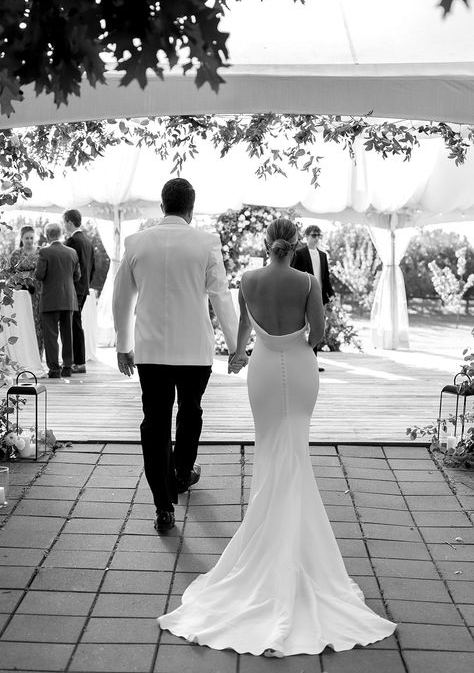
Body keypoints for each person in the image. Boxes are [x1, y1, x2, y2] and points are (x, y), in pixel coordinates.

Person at [158, 218, 396, 656]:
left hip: (263, 371)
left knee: (269, 450)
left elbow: (245, 333)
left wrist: (237, 352)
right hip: (301, 370)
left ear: (267, 244)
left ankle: (266, 543)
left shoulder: (248, 279)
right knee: (296, 452)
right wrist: (300, 335)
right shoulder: (306, 280)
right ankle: (295, 547)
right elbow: (319, 334)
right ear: (293, 247)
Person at [112, 178, 238, 533]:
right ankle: (182, 473)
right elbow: (220, 296)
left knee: (154, 423)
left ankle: (163, 505)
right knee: (191, 410)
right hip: (195, 350)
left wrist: (123, 345)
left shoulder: (137, 243)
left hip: (151, 351)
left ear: (162, 205)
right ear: (191, 207)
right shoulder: (206, 243)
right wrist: (235, 347)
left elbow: (122, 299)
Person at [35, 223, 80, 378]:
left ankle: (54, 370)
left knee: (51, 335)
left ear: (47, 235)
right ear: (61, 234)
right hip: (68, 298)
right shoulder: (72, 252)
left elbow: (40, 275)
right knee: (68, 334)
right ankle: (67, 367)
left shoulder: (44, 252)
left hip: (50, 299)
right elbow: (77, 276)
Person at [291, 224, 335, 372]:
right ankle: (300, 362)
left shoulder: (323, 255)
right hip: (303, 295)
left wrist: (331, 294)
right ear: (306, 236)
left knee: (317, 329)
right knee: (301, 329)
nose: (316, 238)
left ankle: (312, 363)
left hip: (320, 296)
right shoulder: (299, 253)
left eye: (318, 235)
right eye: (313, 235)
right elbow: (294, 274)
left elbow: (325, 277)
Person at [63, 209, 95, 374]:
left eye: (64, 221)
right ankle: (78, 361)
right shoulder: (88, 241)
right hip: (83, 288)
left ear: (69, 222)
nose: (64, 225)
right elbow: (93, 268)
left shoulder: (72, 241)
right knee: (76, 323)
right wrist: (86, 284)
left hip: (74, 288)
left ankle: (79, 362)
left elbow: (69, 267)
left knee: (74, 324)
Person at [8, 225, 43, 356]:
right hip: (22, 293)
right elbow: (10, 275)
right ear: (22, 238)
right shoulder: (16, 254)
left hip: (39, 293)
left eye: (31, 238)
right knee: (24, 322)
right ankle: (24, 354)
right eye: (26, 238)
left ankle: (38, 354)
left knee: (38, 323)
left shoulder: (41, 252)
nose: (29, 240)